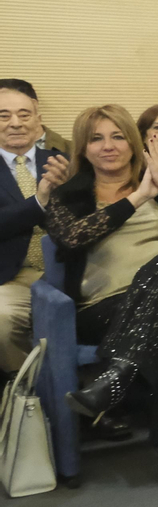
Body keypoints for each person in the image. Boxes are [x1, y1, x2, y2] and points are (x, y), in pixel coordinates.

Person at [42, 104, 158, 494]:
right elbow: (71, 238)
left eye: (117, 136)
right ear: (83, 147)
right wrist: (138, 197)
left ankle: (117, 375)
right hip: (107, 307)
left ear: (133, 141)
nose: (108, 146)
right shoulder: (68, 194)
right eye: (96, 138)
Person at [0, 79, 65, 378]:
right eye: (4, 116)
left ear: (38, 120)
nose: (15, 123)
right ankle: (27, 387)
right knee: (1, 320)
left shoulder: (63, 161)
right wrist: (39, 202)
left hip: (69, 269)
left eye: (24, 115)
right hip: (12, 277)